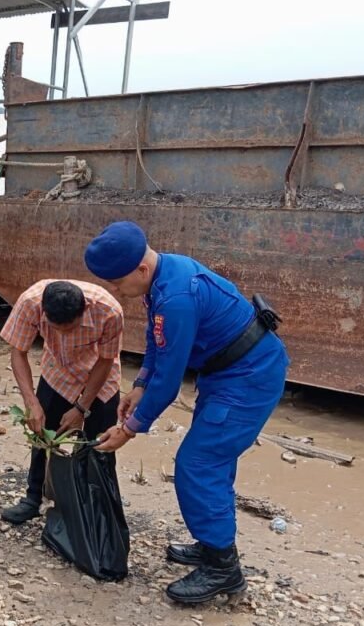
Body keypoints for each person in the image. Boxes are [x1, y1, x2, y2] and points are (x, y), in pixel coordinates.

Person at [86, 221, 289, 604]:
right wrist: (140, 384)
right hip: (225, 372)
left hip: (248, 377)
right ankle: (213, 546)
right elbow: (157, 340)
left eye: (117, 283)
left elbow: (169, 382)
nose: (116, 291)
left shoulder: (176, 296)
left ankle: (224, 570)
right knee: (211, 460)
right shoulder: (163, 276)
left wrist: (129, 429)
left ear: (140, 269)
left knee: (199, 463)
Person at [0, 279, 124, 524]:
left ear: (84, 311)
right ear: (45, 313)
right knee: (42, 434)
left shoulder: (109, 311)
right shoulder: (30, 303)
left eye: (70, 329)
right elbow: (19, 352)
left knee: (100, 445)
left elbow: (106, 361)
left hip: (100, 375)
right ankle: (33, 498)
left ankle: (96, 509)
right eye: (57, 329)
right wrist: (31, 402)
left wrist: (81, 407)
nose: (64, 335)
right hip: (57, 371)